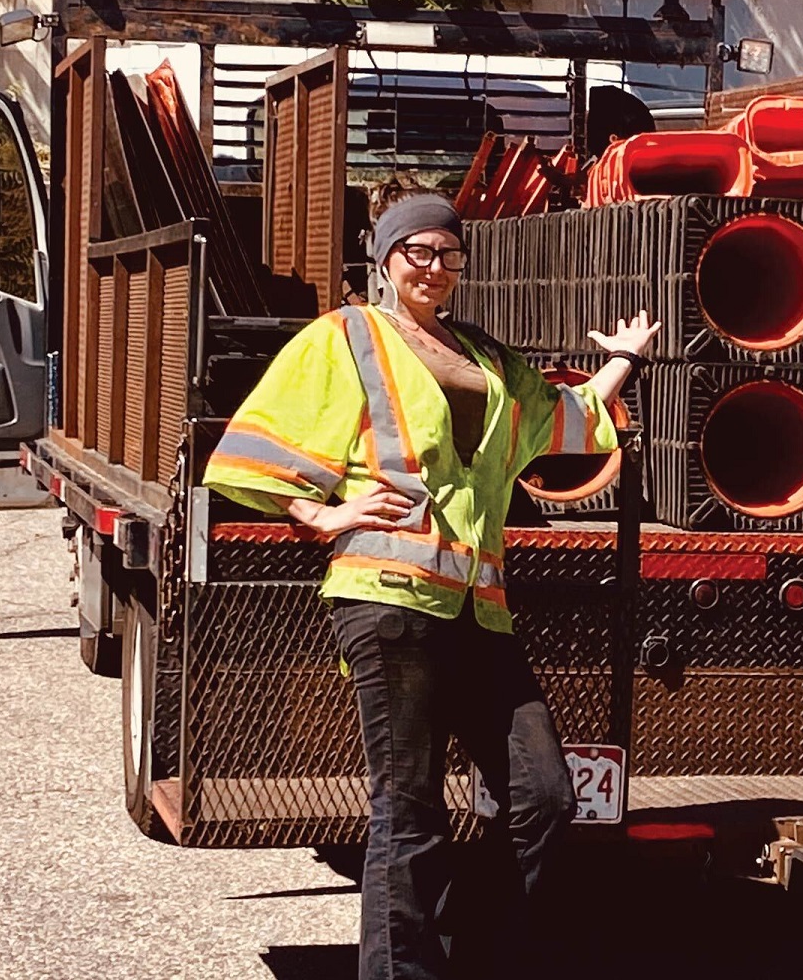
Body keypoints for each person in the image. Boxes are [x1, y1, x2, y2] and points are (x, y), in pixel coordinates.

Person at [201, 193, 660, 980]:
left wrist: (626, 359)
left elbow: (570, 420)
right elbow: (249, 448)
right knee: (409, 814)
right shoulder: (346, 337)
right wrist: (324, 510)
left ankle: (480, 955)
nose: (436, 268)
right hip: (385, 599)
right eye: (418, 251)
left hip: (478, 614)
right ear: (384, 259)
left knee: (544, 794)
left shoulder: (484, 357)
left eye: (449, 253)